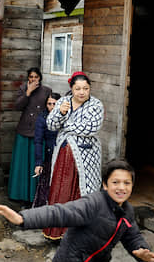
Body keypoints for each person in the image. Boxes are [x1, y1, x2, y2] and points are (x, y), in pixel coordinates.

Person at [0, 159, 154, 262]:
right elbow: (60, 213)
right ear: (105, 185)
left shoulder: (127, 211)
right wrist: (23, 218)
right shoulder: (94, 203)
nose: (121, 188)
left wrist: (141, 251)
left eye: (127, 183)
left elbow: (133, 236)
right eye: (115, 182)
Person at [43, 71, 104, 239]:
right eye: (78, 88)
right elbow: (51, 125)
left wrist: (66, 124)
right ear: (71, 88)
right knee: (61, 189)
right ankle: (57, 232)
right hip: (64, 155)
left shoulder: (96, 105)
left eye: (85, 88)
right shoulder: (63, 102)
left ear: (90, 89)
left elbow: (92, 128)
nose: (82, 92)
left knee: (83, 192)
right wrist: (60, 113)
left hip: (86, 157)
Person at [8, 67, 52, 204]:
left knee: (36, 162)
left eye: (36, 77)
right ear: (28, 78)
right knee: (21, 163)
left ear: (40, 78)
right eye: (31, 77)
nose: (33, 79)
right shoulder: (22, 89)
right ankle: (18, 194)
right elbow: (18, 106)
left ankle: (35, 195)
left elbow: (50, 108)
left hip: (39, 131)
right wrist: (28, 92)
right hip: (24, 129)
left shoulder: (46, 91)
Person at [32, 92, 61, 208]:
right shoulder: (42, 118)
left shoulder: (65, 117)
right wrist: (38, 162)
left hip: (63, 153)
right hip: (49, 154)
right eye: (49, 104)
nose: (52, 107)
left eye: (55, 104)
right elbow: (38, 141)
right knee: (46, 183)